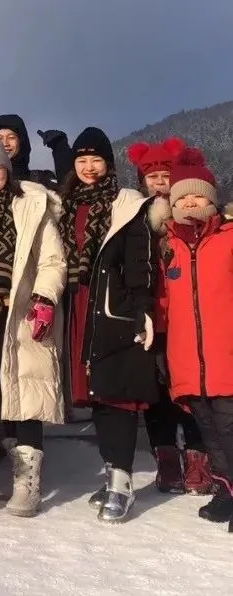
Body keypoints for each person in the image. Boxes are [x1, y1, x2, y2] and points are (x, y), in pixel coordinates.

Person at [0, 133, 66, 516]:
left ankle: (29, 482)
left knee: (28, 392)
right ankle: (17, 470)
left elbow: (52, 259)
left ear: (7, 169)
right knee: (1, 391)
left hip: (22, 311)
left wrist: (44, 298)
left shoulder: (31, 205)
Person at [60, 127, 157, 523]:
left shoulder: (126, 204)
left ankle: (123, 482)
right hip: (79, 309)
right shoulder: (67, 205)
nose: (88, 167)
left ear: (108, 163)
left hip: (113, 309)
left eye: (95, 159)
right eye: (81, 160)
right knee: (97, 394)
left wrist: (143, 308)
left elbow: (138, 262)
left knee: (117, 394)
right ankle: (111, 472)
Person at [126, 138, 211, 496]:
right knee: (156, 393)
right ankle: (166, 459)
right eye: (152, 178)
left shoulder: (189, 218)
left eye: (165, 176)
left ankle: (197, 458)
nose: (160, 184)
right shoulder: (135, 218)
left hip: (189, 319)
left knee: (192, 391)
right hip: (152, 318)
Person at [153, 149, 233, 529]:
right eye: (181, 197)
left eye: (197, 195)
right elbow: (162, 304)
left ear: (211, 200)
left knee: (230, 428)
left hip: (227, 357)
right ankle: (226, 491)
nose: (189, 203)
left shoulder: (228, 239)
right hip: (187, 362)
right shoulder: (167, 247)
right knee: (209, 432)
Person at [0, 114, 73, 188]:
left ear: (21, 142)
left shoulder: (41, 180)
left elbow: (67, 194)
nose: (5, 143)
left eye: (11, 137)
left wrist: (61, 149)